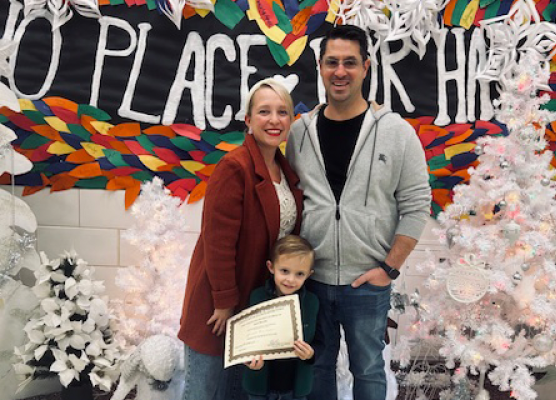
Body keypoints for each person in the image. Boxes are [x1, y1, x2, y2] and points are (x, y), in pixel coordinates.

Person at [286, 25, 432, 400]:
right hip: (312, 279)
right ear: (319, 67)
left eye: (350, 63)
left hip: (367, 283)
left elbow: (417, 205)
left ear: (366, 67)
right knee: (316, 367)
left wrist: (388, 268)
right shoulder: (299, 133)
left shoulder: (396, 132)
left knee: (368, 370)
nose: (340, 71)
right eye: (332, 62)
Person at [179, 78, 304, 400]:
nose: (274, 120)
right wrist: (223, 301)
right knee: (203, 390)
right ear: (248, 120)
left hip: (256, 304)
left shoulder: (285, 170)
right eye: (264, 111)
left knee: (237, 391)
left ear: (291, 120)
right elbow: (217, 242)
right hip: (220, 302)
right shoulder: (234, 167)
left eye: (282, 112)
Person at [242, 234, 319, 400]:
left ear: (309, 274)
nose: (290, 279)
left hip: (296, 388)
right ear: (271, 267)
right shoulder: (257, 297)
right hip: (259, 386)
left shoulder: (312, 303)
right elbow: (246, 341)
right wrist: (250, 360)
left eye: (299, 274)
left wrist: (311, 354)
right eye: (284, 271)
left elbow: (322, 342)